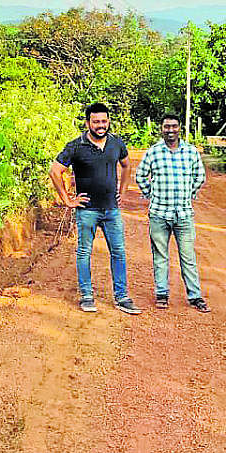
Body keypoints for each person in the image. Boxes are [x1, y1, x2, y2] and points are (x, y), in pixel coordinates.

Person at [50, 103, 141, 315]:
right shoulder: (75, 146)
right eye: (96, 121)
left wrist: (123, 191)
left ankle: (122, 297)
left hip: (111, 210)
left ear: (108, 121)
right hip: (87, 210)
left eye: (104, 121)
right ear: (88, 123)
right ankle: (87, 296)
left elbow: (127, 165)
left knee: (118, 252)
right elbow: (55, 171)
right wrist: (67, 200)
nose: (101, 125)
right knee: (84, 252)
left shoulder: (116, 143)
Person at [135, 113, 210, 312]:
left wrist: (189, 194)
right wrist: (151, 194)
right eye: (167, 126)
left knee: (188, 257)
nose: (170, 130)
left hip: (184, 214)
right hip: (159, 214)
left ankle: (195, 296)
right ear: (162, 128)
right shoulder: (154, 152)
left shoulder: (191, 152)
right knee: (160, 256)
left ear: (179, 128)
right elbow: (140, 175)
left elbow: (199, 176)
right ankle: (162, 294)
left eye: (174, 126)